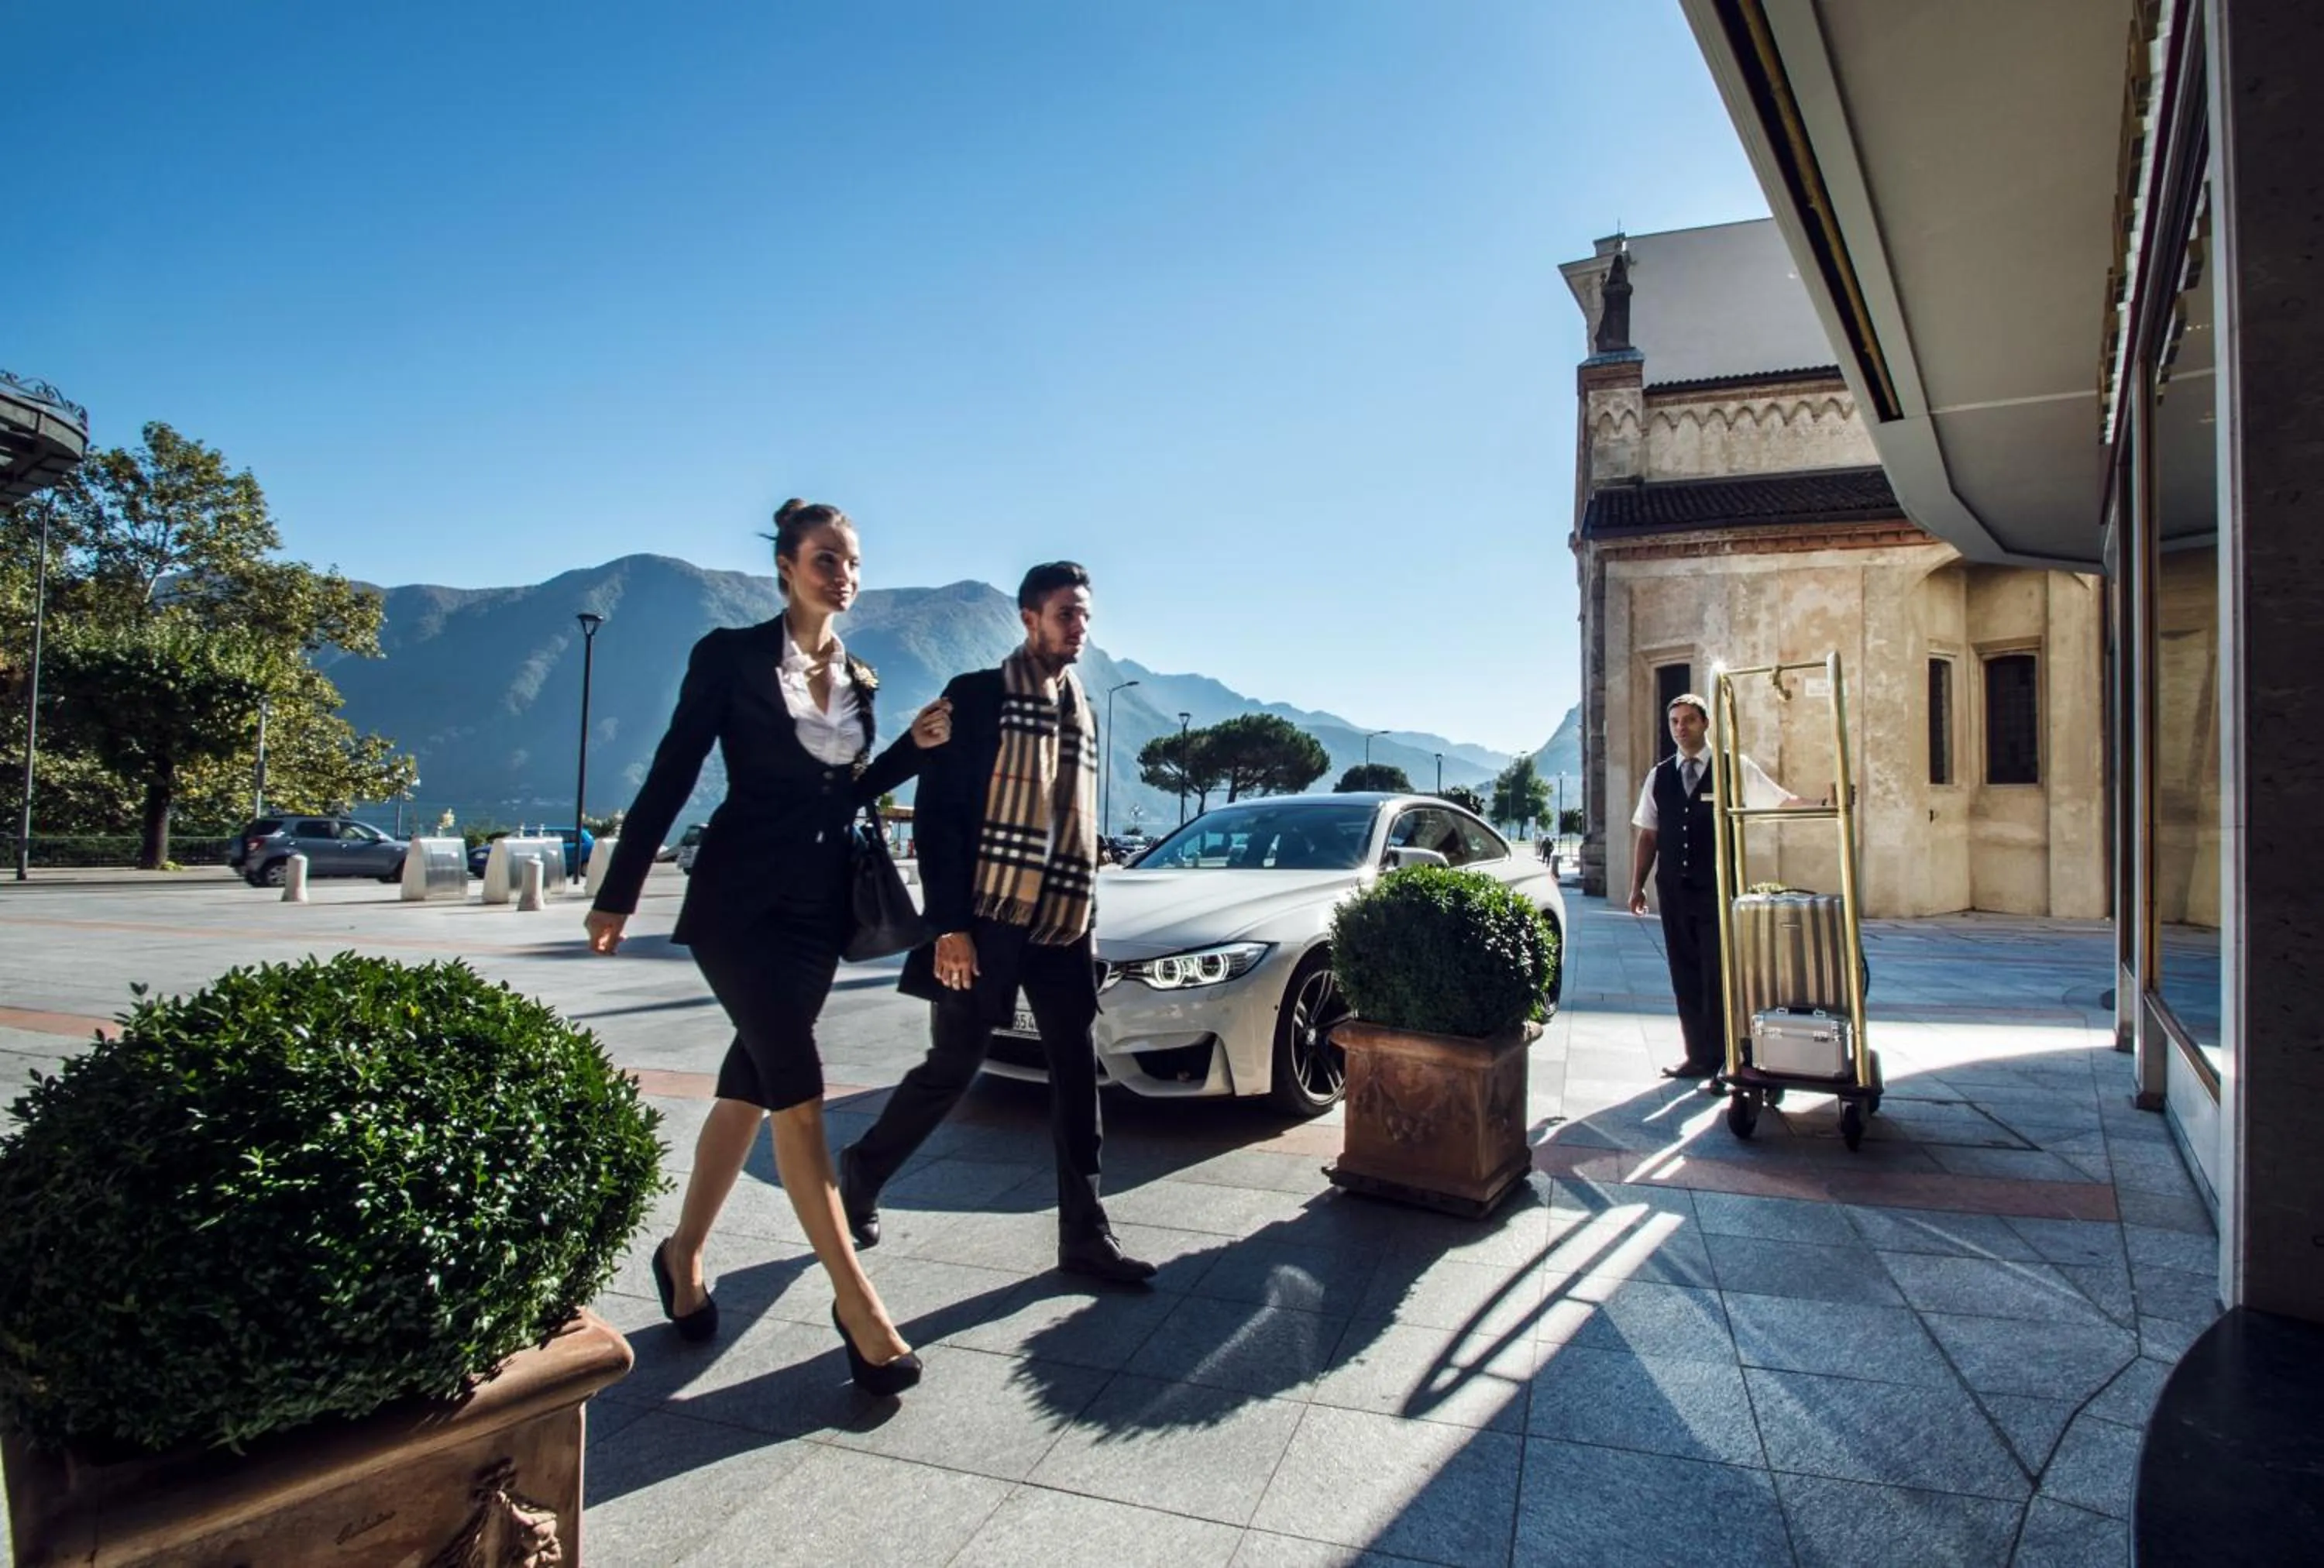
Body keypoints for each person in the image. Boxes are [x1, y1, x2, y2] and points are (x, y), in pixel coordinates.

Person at [584, 498, 952, 1395]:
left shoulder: (861, 674)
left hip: (819, 910)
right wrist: (619, 891)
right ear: (785, 566)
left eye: (853, 560)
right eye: (826, 558)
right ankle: (859, 1307)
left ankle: (683, 1254)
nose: (844, 573)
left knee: (752, 1081)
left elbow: (847, 794)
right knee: (799, 1091)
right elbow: (672, 770)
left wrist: (911, 746)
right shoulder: (730, 657)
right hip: (739, 904)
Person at [838, 562, 1157, 1286]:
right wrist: (948, 926)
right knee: (953, 1065)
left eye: (1086, 615)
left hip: (1063, 916)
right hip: (985, 917)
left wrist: (1083, 906)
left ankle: (1085, 1235)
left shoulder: (1080, 704)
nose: (1080, 629)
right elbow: (940, 817)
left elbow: (1069, 823)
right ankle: (862, 1169)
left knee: (1077, 1068)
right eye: (1067, 615)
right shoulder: (977, 698)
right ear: (1028, 618)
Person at [1627, 692, 1812, 1081]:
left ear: (1706, 723)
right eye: (1675, 721)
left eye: (1689, 720)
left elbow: (1779, 800)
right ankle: (1697, 1056)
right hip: (1674, 890)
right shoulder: (1659, 775)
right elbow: (1648, 834)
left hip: (1717, 889)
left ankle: (1729, 1058)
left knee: (1719, 973)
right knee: (1685, 972)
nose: (1681, 728)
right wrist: (1637, 886)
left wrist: (1824, 802)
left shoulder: (1734, 767)